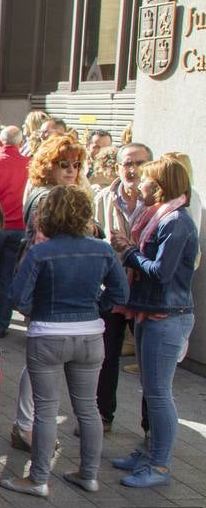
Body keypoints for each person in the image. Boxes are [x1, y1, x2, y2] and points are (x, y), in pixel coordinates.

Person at [1, 186, 127, 498]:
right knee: (89, 407)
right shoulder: (103, 249)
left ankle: (39, 478)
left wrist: (36, 310)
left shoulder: (40, 252)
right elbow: (121, 295)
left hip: (48, 333)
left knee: (45, 409)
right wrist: (96, 304)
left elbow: (17, 296)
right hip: (90, 334)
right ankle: (89, 474)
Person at [109, 159, 199, 487]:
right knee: (152, 391)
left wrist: (130, 252)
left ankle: (159, 465)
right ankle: (149, 451)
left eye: (145, 179)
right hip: (151, 311)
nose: (139, 184)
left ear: (159, 185)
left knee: (159, 394)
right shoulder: (159, 217)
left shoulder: (175, 222)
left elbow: (161, 273)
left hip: (167, 316)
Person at [9, 134, 87, 453]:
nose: (71, 170)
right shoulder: (48, 197)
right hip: (47, 288)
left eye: (76, 164)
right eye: (63, 164)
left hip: (53, 288)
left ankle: (29, 424)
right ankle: (26, 425)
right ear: (48, 166)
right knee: (41, 360)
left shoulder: (58, 193)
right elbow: (45, 248)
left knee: (44, 359)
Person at [94, 142, 152, 431]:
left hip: (144, 292)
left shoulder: (155, 201)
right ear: (117, 167)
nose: (133, 170)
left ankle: (150, 426)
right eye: (127, 164)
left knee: (148, 364)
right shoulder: (103, 197)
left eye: (139, 163)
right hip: (112, 290)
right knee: (107, 358)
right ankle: (103, 416)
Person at [0, 125, 31, 337]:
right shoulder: (29, 165)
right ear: (21, 144)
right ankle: (2, 323)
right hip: (19, 229)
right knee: (6, 276)